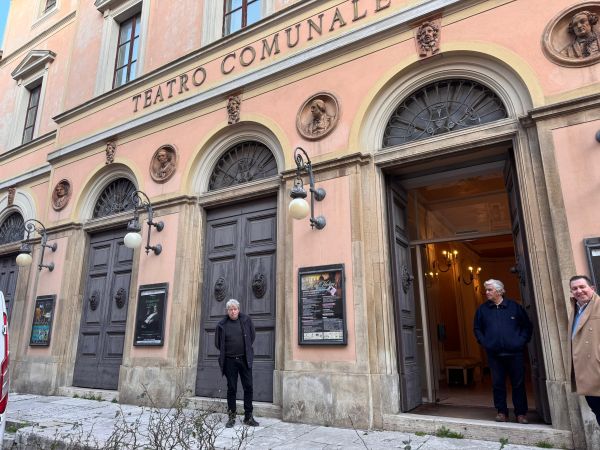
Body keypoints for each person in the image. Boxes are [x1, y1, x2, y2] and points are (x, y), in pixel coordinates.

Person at [473, 279, 533, 424]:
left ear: (499, 291)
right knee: (498, 384)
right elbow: (477, 329)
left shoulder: (514, 307)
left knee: (518, 384)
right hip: (494, 354)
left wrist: (519, 342)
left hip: (515, 353)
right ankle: (501, 412)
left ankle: (521, 414)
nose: (486, 292)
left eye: (489, 290)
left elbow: (527, 327)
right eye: (486, 290)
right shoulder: (482, 309)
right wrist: (486, 342)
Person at [215, 299, 259, 428]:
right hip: (229, 361)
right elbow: (218, 343)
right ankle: (232, 417)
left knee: (248, 387)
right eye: (230, 309)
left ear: (238, 310)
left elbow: (252, 336)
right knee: (232, 389)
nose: (233, 311)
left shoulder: (246, 320)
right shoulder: (222, 324)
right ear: (227, 311)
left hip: (244, 359)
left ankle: (248, 417)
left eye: (235, 309)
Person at [568, 275, 600, 425]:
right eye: (574, 288)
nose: (579, 291)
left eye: (582, 287)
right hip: (586, 373)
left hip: (597, 370)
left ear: (592, 289)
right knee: (597, 412)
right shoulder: (576, 309)